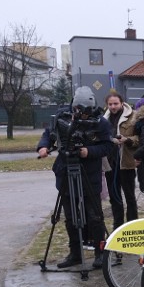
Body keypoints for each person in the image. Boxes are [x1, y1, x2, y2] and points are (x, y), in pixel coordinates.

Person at [37, 87, 114, 269]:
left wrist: (90, 151)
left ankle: (100, 253)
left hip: (89, 174)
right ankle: (75, 254)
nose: (84, 118)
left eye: (87, 114)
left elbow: (108, 146)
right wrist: (43, 146)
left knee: (95, 216)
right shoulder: (61, 116)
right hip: (65, 170)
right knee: (70, 216)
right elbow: (48, 134)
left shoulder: (101, 123)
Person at [103, 92, 138, 229]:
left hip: (126, 162)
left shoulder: (133, 117)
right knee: (114, 197)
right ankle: (118, 226)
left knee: (130, 196)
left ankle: (132, 226)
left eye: (115, 103)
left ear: (122, 103)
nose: (113, 107)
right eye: (110, 104)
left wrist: (127, 140)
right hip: (109, 163)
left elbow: (140, 138)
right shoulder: (103, 119)